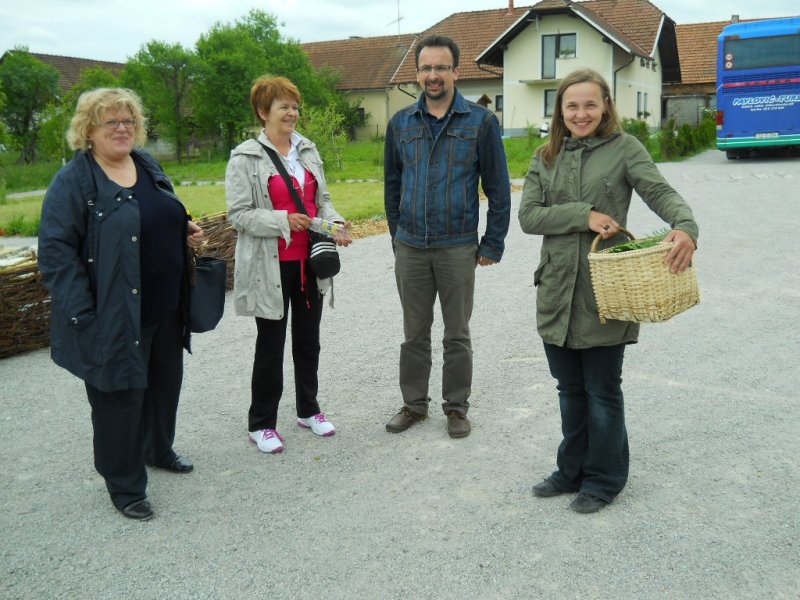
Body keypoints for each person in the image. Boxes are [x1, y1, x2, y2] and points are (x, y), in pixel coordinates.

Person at [518, 68, 698, 513]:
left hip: (606, 290)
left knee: (601, 389)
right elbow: (529, 217)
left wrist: (685, 226)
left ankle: (603, 479)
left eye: (590, 104)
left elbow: (659, 191)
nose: (581, 113)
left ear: (605, 107)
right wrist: (583, 215)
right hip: (556, 289)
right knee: (568, 388)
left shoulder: (625, 148)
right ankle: (571, 470)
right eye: (572, 105)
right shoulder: (545, 156)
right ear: (560, 110)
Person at [38, 88, 204, 521]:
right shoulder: (74, 182)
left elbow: (156, 211)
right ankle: (125, 486)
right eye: (110, 121)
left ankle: (157, 449)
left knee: (164, 384)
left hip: (165, 305)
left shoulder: (145, 163)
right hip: (113, 314)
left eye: (128, 120)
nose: (122, 128)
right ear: (88, 130)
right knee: (118, 398)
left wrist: (181, 226)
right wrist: (84, 315)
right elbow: (55, 255)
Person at [384, 35, 511, 439]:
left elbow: (499, 188)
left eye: (441, 67)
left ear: (456, 71)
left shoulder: (481, 122)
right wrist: (397, 237)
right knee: (413, 334)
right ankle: (413, 405)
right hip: (411, 247)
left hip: (457, 246)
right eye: (426, 68)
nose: (433, 75)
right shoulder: (400, 124)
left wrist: (492, 243)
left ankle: (456, 407)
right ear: (417, 73)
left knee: (457, 334)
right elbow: (392, 186)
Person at [226, 75, 351, 455]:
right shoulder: (245, 157)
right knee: (270, 346)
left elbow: (321, 201)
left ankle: (308, 410)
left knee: (309, 341)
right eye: (283, 106)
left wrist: (335, 222)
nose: (292, 113)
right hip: (271, 267)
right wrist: (283, 220)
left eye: (295, 106)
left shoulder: (307, 150)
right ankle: (261, 423)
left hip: (310, 261)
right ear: (263, 112)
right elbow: (239, 215)